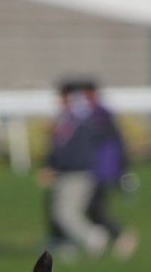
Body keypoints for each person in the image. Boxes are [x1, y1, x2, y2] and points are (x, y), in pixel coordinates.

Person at [43, 80, 110, 259]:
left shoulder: (77, 121)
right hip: (70, 172)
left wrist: (53, 165)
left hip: (76, 173)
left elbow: (70, 150)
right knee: (62, 212)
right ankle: (69, 246)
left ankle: (93, 236)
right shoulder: (71, 119)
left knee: (65, 214)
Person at [79, 81, 138, 259]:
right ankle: (104, 238)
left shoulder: (99, 116)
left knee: (95, 209)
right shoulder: (95, 115)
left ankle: (120, 236)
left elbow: (113, 144)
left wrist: (120, 168)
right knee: (92, 208)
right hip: (100, 169)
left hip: (103, 170)